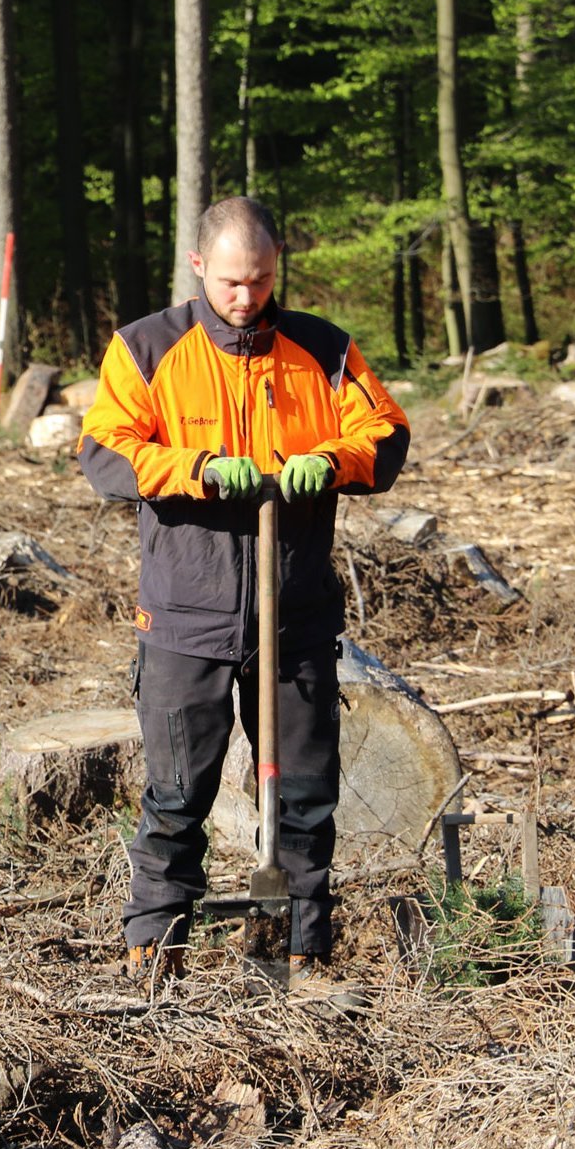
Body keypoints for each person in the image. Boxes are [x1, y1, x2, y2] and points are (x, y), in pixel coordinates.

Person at [77, 196, 410, 985]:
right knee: (173, 798)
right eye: (230, 281)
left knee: (302, 797)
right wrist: (191, 468)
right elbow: (104, 452)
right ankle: (154, 954)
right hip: (185, 617)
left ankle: (297, 952)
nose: (245, 297)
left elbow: (385, 436)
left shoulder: (321, 350)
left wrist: (330, 459)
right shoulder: (147, 347)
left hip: (292, 615)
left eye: (260, 280)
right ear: (198, 267)